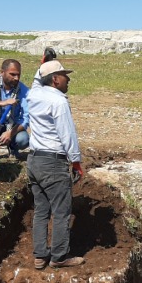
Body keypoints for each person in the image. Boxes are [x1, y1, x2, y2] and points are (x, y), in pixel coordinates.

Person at [26, 60, 86, 270]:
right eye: (64, 75)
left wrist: (42, 63)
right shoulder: (59, 102)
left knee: (41, 210)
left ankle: (40, 256)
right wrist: (76, 161)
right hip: (53, 162)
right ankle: (59, 256)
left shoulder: (34, 95)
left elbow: (36, 81)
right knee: (61, 211)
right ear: (55, 80)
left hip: (34, 160)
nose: (68, 78)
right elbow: (67, 134)